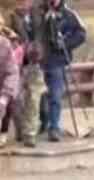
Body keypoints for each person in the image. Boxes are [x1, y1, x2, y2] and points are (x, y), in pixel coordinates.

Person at [41, 0, 85, 142]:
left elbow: (81, 34)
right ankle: (43, 123)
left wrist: (65, 44)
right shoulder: (39, 13)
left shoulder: (69, 15)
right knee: (39, 97)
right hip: (37, 61)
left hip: (57, 60)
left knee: (55, 95)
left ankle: (54, 127)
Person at [7, 0, 47, 147]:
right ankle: (21, 129)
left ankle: (30, 134)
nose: (24, 3)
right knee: (15, 100)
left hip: (36, 63)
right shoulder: (11, 17)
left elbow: (47, 35)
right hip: (17, 64)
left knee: (33, 98)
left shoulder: (41, 14)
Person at [0, 23, 22, 148]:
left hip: (3, 86)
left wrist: (4, 97)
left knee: (7, 106)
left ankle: (3, 133)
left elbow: (12, 72)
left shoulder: (4, 45)